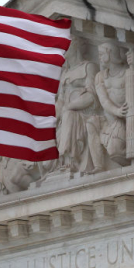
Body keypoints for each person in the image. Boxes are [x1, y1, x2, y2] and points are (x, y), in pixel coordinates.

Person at [55, 41, 99, 172]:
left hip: (84, 114)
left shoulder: (89, 67)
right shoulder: (64, 74)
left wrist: (69, 106)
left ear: (75, 47)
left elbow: (92, 96)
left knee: (69, 115)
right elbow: (60, 102)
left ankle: (70, 158)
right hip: (67, 116)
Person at [86, 42, 128, 173]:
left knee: (115, 151)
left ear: (111, 54)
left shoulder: (127, 73)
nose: (98, 57)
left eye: (101, 54)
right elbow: (103, 101)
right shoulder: (100, 77)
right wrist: (117, 111)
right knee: (91, 123)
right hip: (109, 119)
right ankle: (98, 165)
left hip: (124, 122)